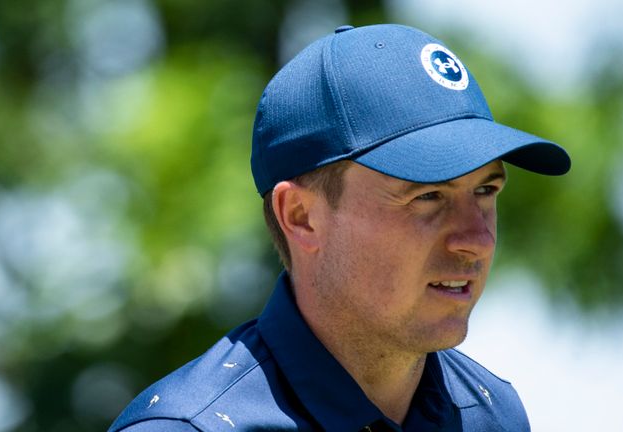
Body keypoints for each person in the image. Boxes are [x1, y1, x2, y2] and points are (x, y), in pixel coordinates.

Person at [108, 23, 570, 432]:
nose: (477, 240)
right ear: (301, 216)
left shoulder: (492, 415)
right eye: (428, 196)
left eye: (486, 192)